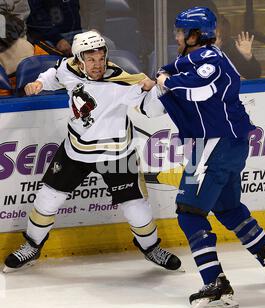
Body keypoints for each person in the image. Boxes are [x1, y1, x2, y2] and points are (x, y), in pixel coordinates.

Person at [145, 7, 265, 308]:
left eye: (181, 31)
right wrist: (160, 77)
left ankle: (216, 284)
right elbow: (160, 93)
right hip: (226, 145)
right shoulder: (193, 60)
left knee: (189, 212)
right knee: (228, 207)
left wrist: (163, 82)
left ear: (196, 35)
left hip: (214, 145)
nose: (176, 36)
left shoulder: (211, 61)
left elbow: (199, 89)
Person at [3, 30, 181, 273]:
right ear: (78, 59)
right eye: (91, 59)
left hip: (116, 154)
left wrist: (160, 91)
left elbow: (150, 109)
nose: (97, 65)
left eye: (101, 58)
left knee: (137, 209)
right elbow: (54, 73)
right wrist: (39, 83)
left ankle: (151, 249)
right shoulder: (68, 68)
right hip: (76, 150)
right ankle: (32, 246)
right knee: (47, 199)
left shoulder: (123, 80)